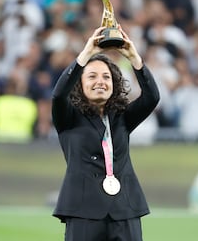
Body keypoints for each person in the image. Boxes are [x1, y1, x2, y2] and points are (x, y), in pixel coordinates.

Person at [51, 26, 160, 241]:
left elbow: (151, 98)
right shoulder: (68, 118)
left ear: (114, 84)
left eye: (106, 77)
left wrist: (133, 57)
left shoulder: (122, 117)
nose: (100, 81)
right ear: (80, 85)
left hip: (124, 210)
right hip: (83, 210)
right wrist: (86, 54)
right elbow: (58, 95)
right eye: (91, 76)